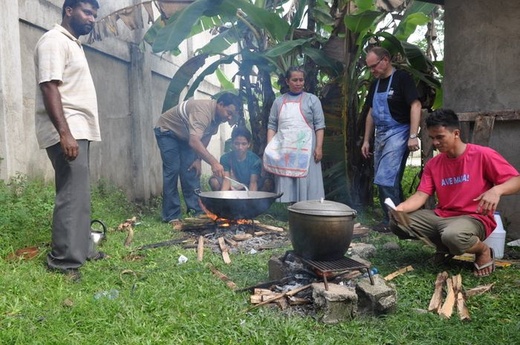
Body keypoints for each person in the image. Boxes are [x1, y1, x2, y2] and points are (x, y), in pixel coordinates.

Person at [390, 109, 520, 277]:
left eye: (440, 137)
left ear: (456, 133)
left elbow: (516, 181)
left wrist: (497, 190)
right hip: (442, 216)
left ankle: (483, 251)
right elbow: (421, 195)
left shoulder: (482, 155)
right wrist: (399, 209)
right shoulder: (433, 164)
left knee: (454, 235)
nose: (435, 143)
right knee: (399, 223)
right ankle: (445, 249)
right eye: (432, 138)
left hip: (474, 218)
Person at [34, 0, 103, 281]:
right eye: (87, 12)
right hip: (68, 129)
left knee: (80, 193)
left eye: (95, 15)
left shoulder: (73, 43)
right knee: (71, 194)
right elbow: (49, 85)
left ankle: (86, 249)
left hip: (78, 128)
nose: (92, 19)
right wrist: (65, 133)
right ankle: (63, 261)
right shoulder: (53, 40)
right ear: (69, 11)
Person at [154, 93, 242, 226]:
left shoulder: (217, 117)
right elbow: (194, 141)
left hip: (185, 136)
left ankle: (196, 209)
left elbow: (205, 137)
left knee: (191, 170)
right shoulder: (202, 112)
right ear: (221, 104)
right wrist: (214, 162)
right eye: (228, 113)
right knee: (173, 170)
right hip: (168, 131)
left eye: (231, 115)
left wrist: (198, 160)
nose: (229, 117)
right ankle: (171, 215)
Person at [361, 46, 422, 232]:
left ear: (385, 60)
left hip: (399, 132)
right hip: (381, 134)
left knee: (387, 179)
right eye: (369, 68)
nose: (372, 71)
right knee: (383, 179)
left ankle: (394, 221)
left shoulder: (402, 78)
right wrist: (366, 140)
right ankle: (396, 218)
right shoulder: (376, 84)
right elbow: (371, 113)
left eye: (374, 66)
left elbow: (416, 105)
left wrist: (413, 136)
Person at [263, 66, 325, 203]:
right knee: (286, 177)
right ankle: (286, 207)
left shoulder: (312, 100)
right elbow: (272, 125)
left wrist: (319, 147)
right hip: (284, 148)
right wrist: (270, 147)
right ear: (287, 81)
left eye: (301, 80)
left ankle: (308, 207)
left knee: (306, 179)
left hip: (306, 149)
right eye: (294, 80)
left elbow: (319, 126)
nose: (298, 83)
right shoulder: (278, 102)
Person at [209, 126, 273, 192]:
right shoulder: (225, 158)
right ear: (232, 143)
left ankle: (260, 202)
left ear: (249, 144)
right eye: (237, 143)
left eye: (244, 144)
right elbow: (226, 181)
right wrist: (222, 197)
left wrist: (250, 200)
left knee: (268, 182)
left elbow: (253, 183)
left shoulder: (255, 160)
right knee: (214, 181)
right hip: (232, 187)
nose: (240, 147)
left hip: (249, 187)